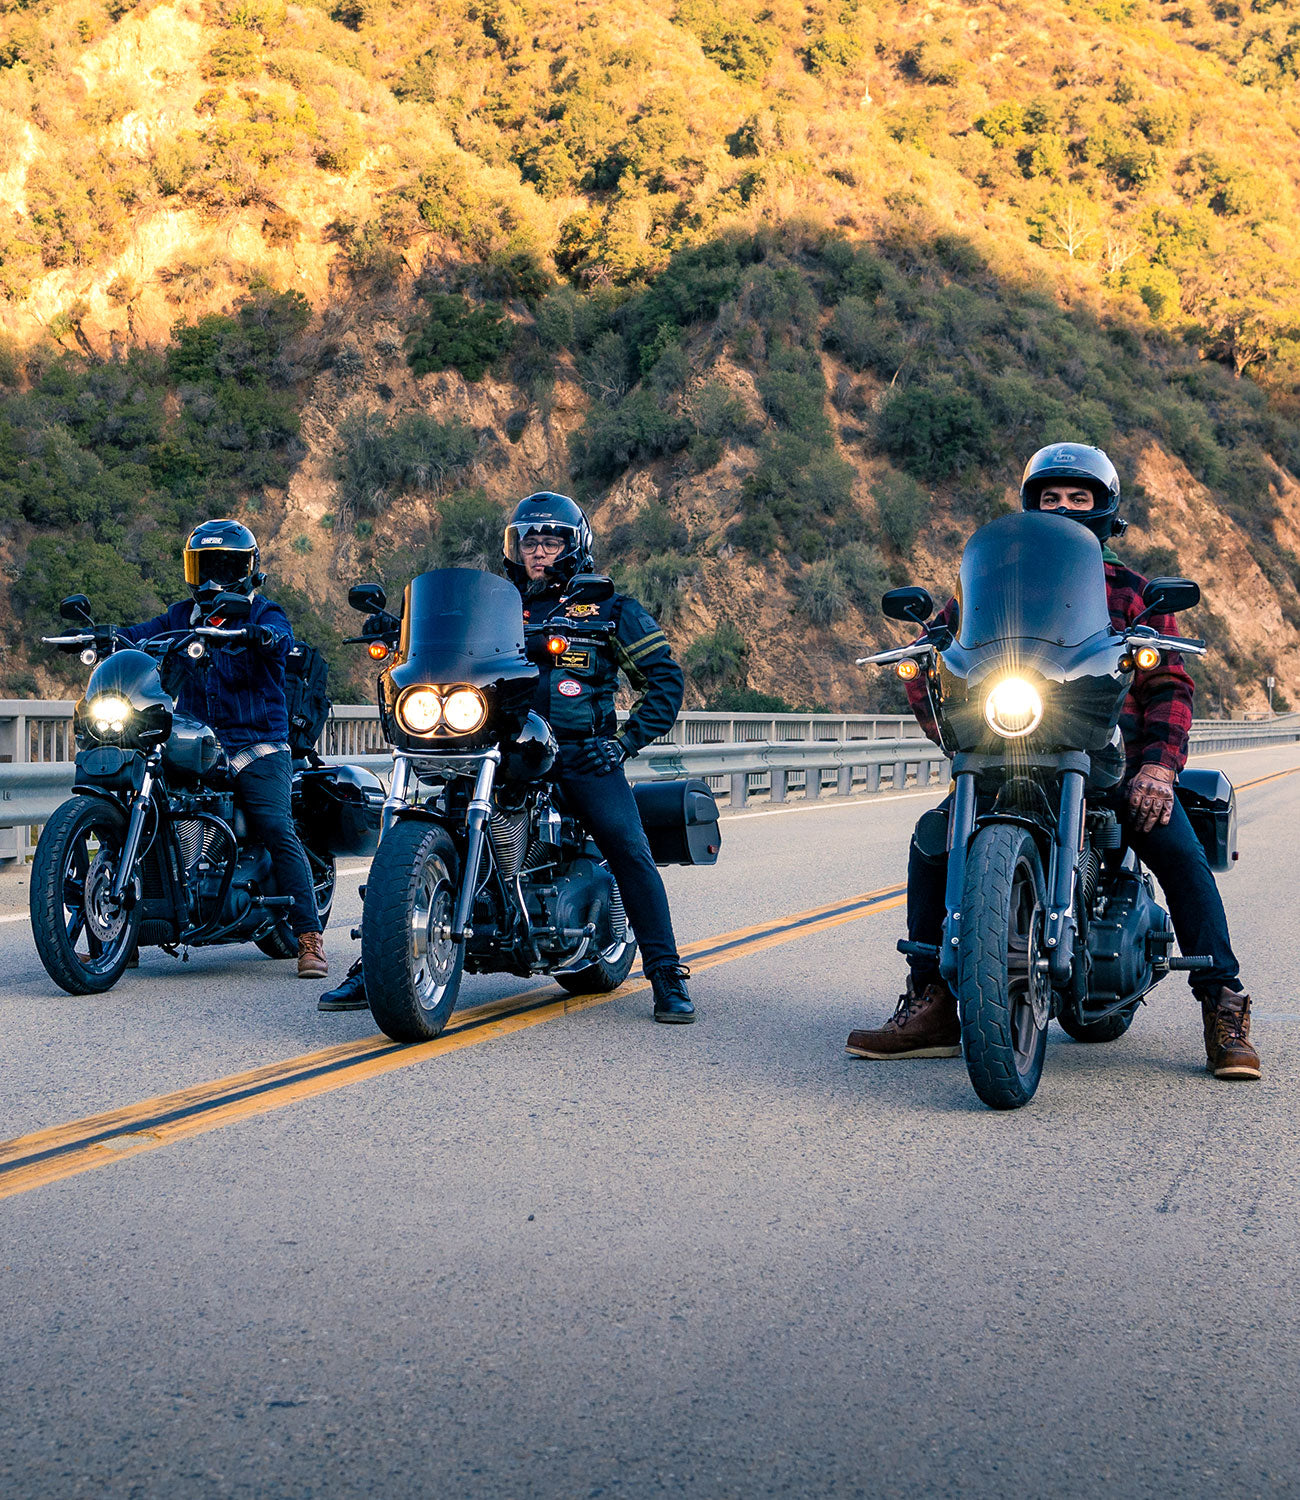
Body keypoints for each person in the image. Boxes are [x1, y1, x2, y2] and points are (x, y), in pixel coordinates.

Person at [845, 443, 1260, 1081]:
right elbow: (944, 653)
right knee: (933, 842)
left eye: (1078, 497)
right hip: (1008, 748)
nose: (1063, 506)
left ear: (1105, 509)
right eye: (1050, 497)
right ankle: (932, 999)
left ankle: (1222, 1004)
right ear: (1030, 506)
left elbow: (1171, 688)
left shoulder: (1132, 591)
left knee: (1175, 846)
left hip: (1104, 755)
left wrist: (1158, 768)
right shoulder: (995, 585)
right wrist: (935, 672)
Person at [320, 491, 696, 1022]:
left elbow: (665, 679)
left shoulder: (609, 608)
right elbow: (437, 643)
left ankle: (666, 973)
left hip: (577, 752)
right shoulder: (488, 608)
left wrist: (624, 742)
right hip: (492, 745)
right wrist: (397, 630)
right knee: (421, 826)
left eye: (549, 540)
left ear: (573, 545)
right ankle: (381, 961)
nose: (536, 551)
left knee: (626, 845)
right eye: (527, 540)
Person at [120, 519, 328, 980]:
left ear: (248, 570)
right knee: (149, 804)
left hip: (258, 744)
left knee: (275, 825)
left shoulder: (263, 613)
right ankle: (127, 924)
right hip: (196, 742)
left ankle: (310, 939)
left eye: (224, 567)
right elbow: (140, 632)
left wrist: (265, 638)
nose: (213, 580)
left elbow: (282, 638)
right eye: (204, 567)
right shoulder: (181, 617)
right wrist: (105, 636)